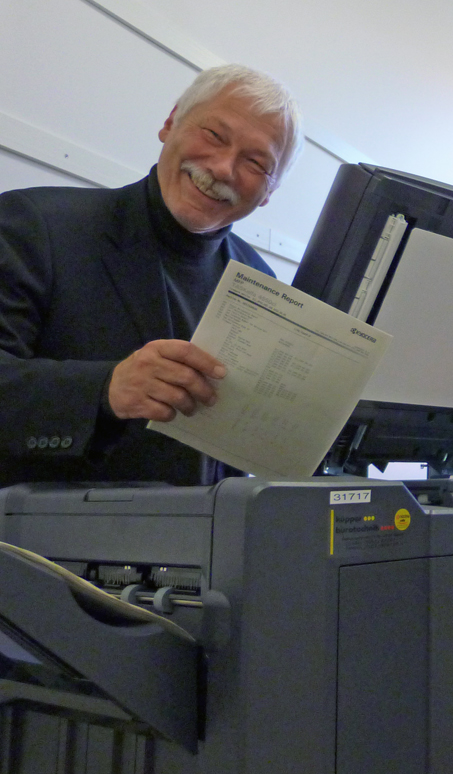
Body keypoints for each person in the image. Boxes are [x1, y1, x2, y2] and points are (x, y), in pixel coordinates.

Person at [0, 64, 302, 488]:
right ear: (170, 122)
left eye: (255, 162)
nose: (223, 168)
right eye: (214, 135)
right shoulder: (35, 225)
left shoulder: (261, 285)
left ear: (270, 192)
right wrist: (105, 389)